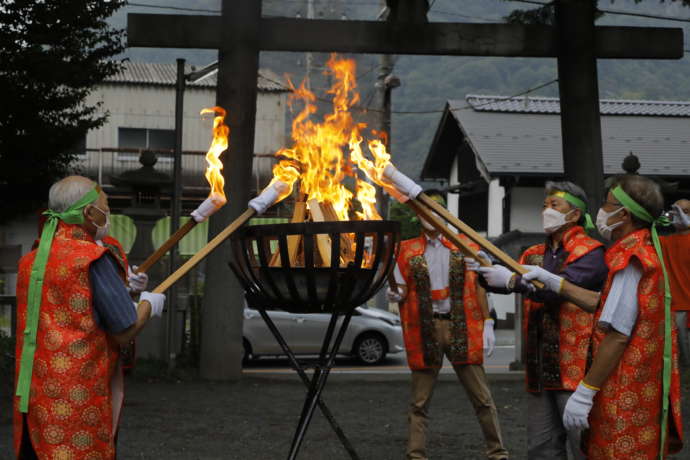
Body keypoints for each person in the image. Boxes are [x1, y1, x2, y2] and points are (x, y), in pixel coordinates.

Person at [522, 175, 683, 459]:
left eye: (608, 205)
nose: (602, 211)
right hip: (636, 385)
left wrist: (586, 391)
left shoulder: (629, 259)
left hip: (622, 384)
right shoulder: (643, 249)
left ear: (623, 215)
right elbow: (608, 305)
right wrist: (554, 282)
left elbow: (618, 335)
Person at [13, 175, 165, 459]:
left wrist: (121, 289)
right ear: (88, 212)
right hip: (79, 394)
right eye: (104, 206)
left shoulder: (31, 259)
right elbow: (124, 330)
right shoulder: (92, 257)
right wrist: (148, 304)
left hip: (35, 394)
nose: (107, 213)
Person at [466, 181, 607, 460]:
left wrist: (511, 280)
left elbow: (561, 289)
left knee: (584, 446)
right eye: (544, 206)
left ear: (574, 214)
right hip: (539, 367)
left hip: (576, 367)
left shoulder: (590, 252)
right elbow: (505, 282)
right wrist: (486, 270)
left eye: (555, 205)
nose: (546, 211)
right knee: (541, 448)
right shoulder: (532, 254)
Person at [387, 192, 509, 460]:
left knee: (482, 398)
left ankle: (498, 453)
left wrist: (488, 321)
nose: (429, 217)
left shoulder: (466, 245)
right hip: (426, 328)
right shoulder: (406, 250)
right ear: (417, 216)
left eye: (435, 211)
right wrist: (396, 294)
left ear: (444, 214)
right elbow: (402, 289)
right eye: (424, 211)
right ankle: (415, 455)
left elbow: (481, 285)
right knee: (419, 401)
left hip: (461, 326)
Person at [661, 199, 690, 367]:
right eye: (676, 211)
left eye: (684, 211)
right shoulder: (664, 242)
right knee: (676, 364)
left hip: (686, 309)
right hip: (670, 309)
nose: (679, 215)